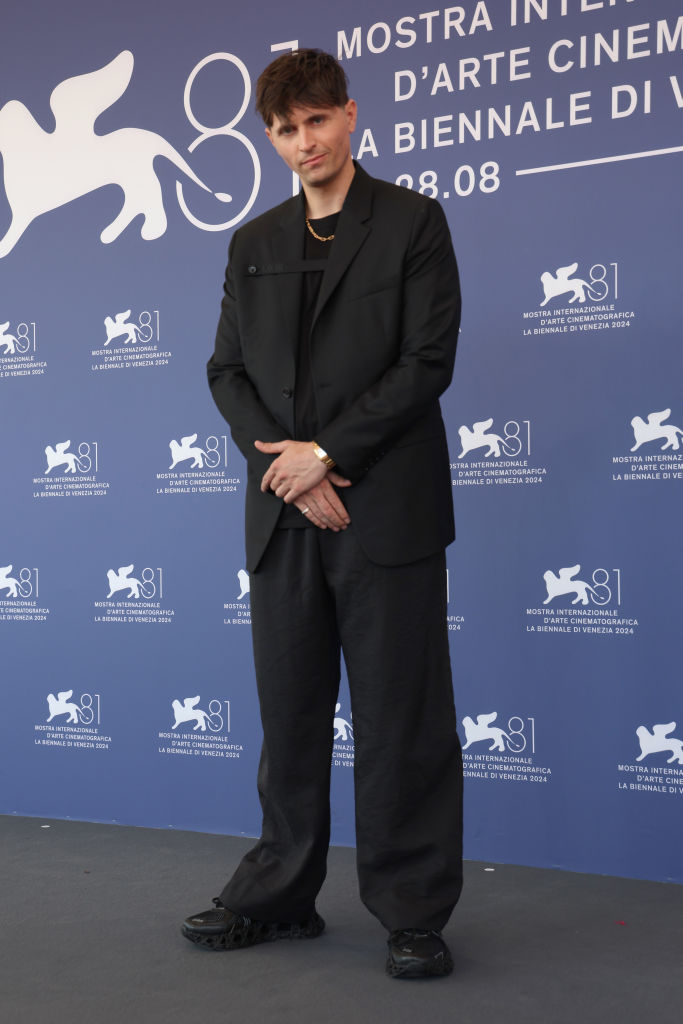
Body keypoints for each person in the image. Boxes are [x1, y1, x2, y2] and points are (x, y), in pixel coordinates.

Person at [182, 48, 463, 980]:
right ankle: (280, 896)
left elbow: (425, 363)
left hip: (388, 512)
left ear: (349, 115)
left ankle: (413, 910)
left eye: (316, 122)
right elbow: (227, 371)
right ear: (270, 138)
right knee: (290, 717)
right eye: (284, 130)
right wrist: (292, 471)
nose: (304, 142)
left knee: (401, 720)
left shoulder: (414, 222)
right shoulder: (251, 243)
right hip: (283, 512)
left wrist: (328, 457)